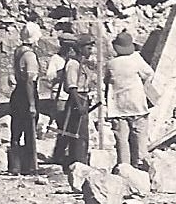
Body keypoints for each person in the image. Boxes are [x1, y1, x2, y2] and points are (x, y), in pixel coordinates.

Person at [104, 29, 155, 170]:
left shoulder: (111, 64)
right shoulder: (136, 60)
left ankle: (124, 167)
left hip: (118, 106)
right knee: (140, 138)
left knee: (122, 140)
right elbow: (149, 74)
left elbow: (106, 81)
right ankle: (140, 165)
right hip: (137, 104)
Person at [51, 35, 92, 167]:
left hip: (82, 99)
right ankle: (77, 163)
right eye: (88, 47)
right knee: (77, 134)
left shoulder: (81, 64)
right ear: (79, 48)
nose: (90, 50)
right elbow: (72, 87)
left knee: (83, 134)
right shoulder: (73, 64)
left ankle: (81, 162)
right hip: (76, 101)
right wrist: (79, 105)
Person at [8, 22, 43, 175]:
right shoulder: (30, 55)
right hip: (26, 94)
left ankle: (15, 165)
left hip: (17, 94)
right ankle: (30, 166)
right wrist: (32, 104)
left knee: (16, 131)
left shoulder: (18, 51)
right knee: (29, 130)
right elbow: (30, 80)